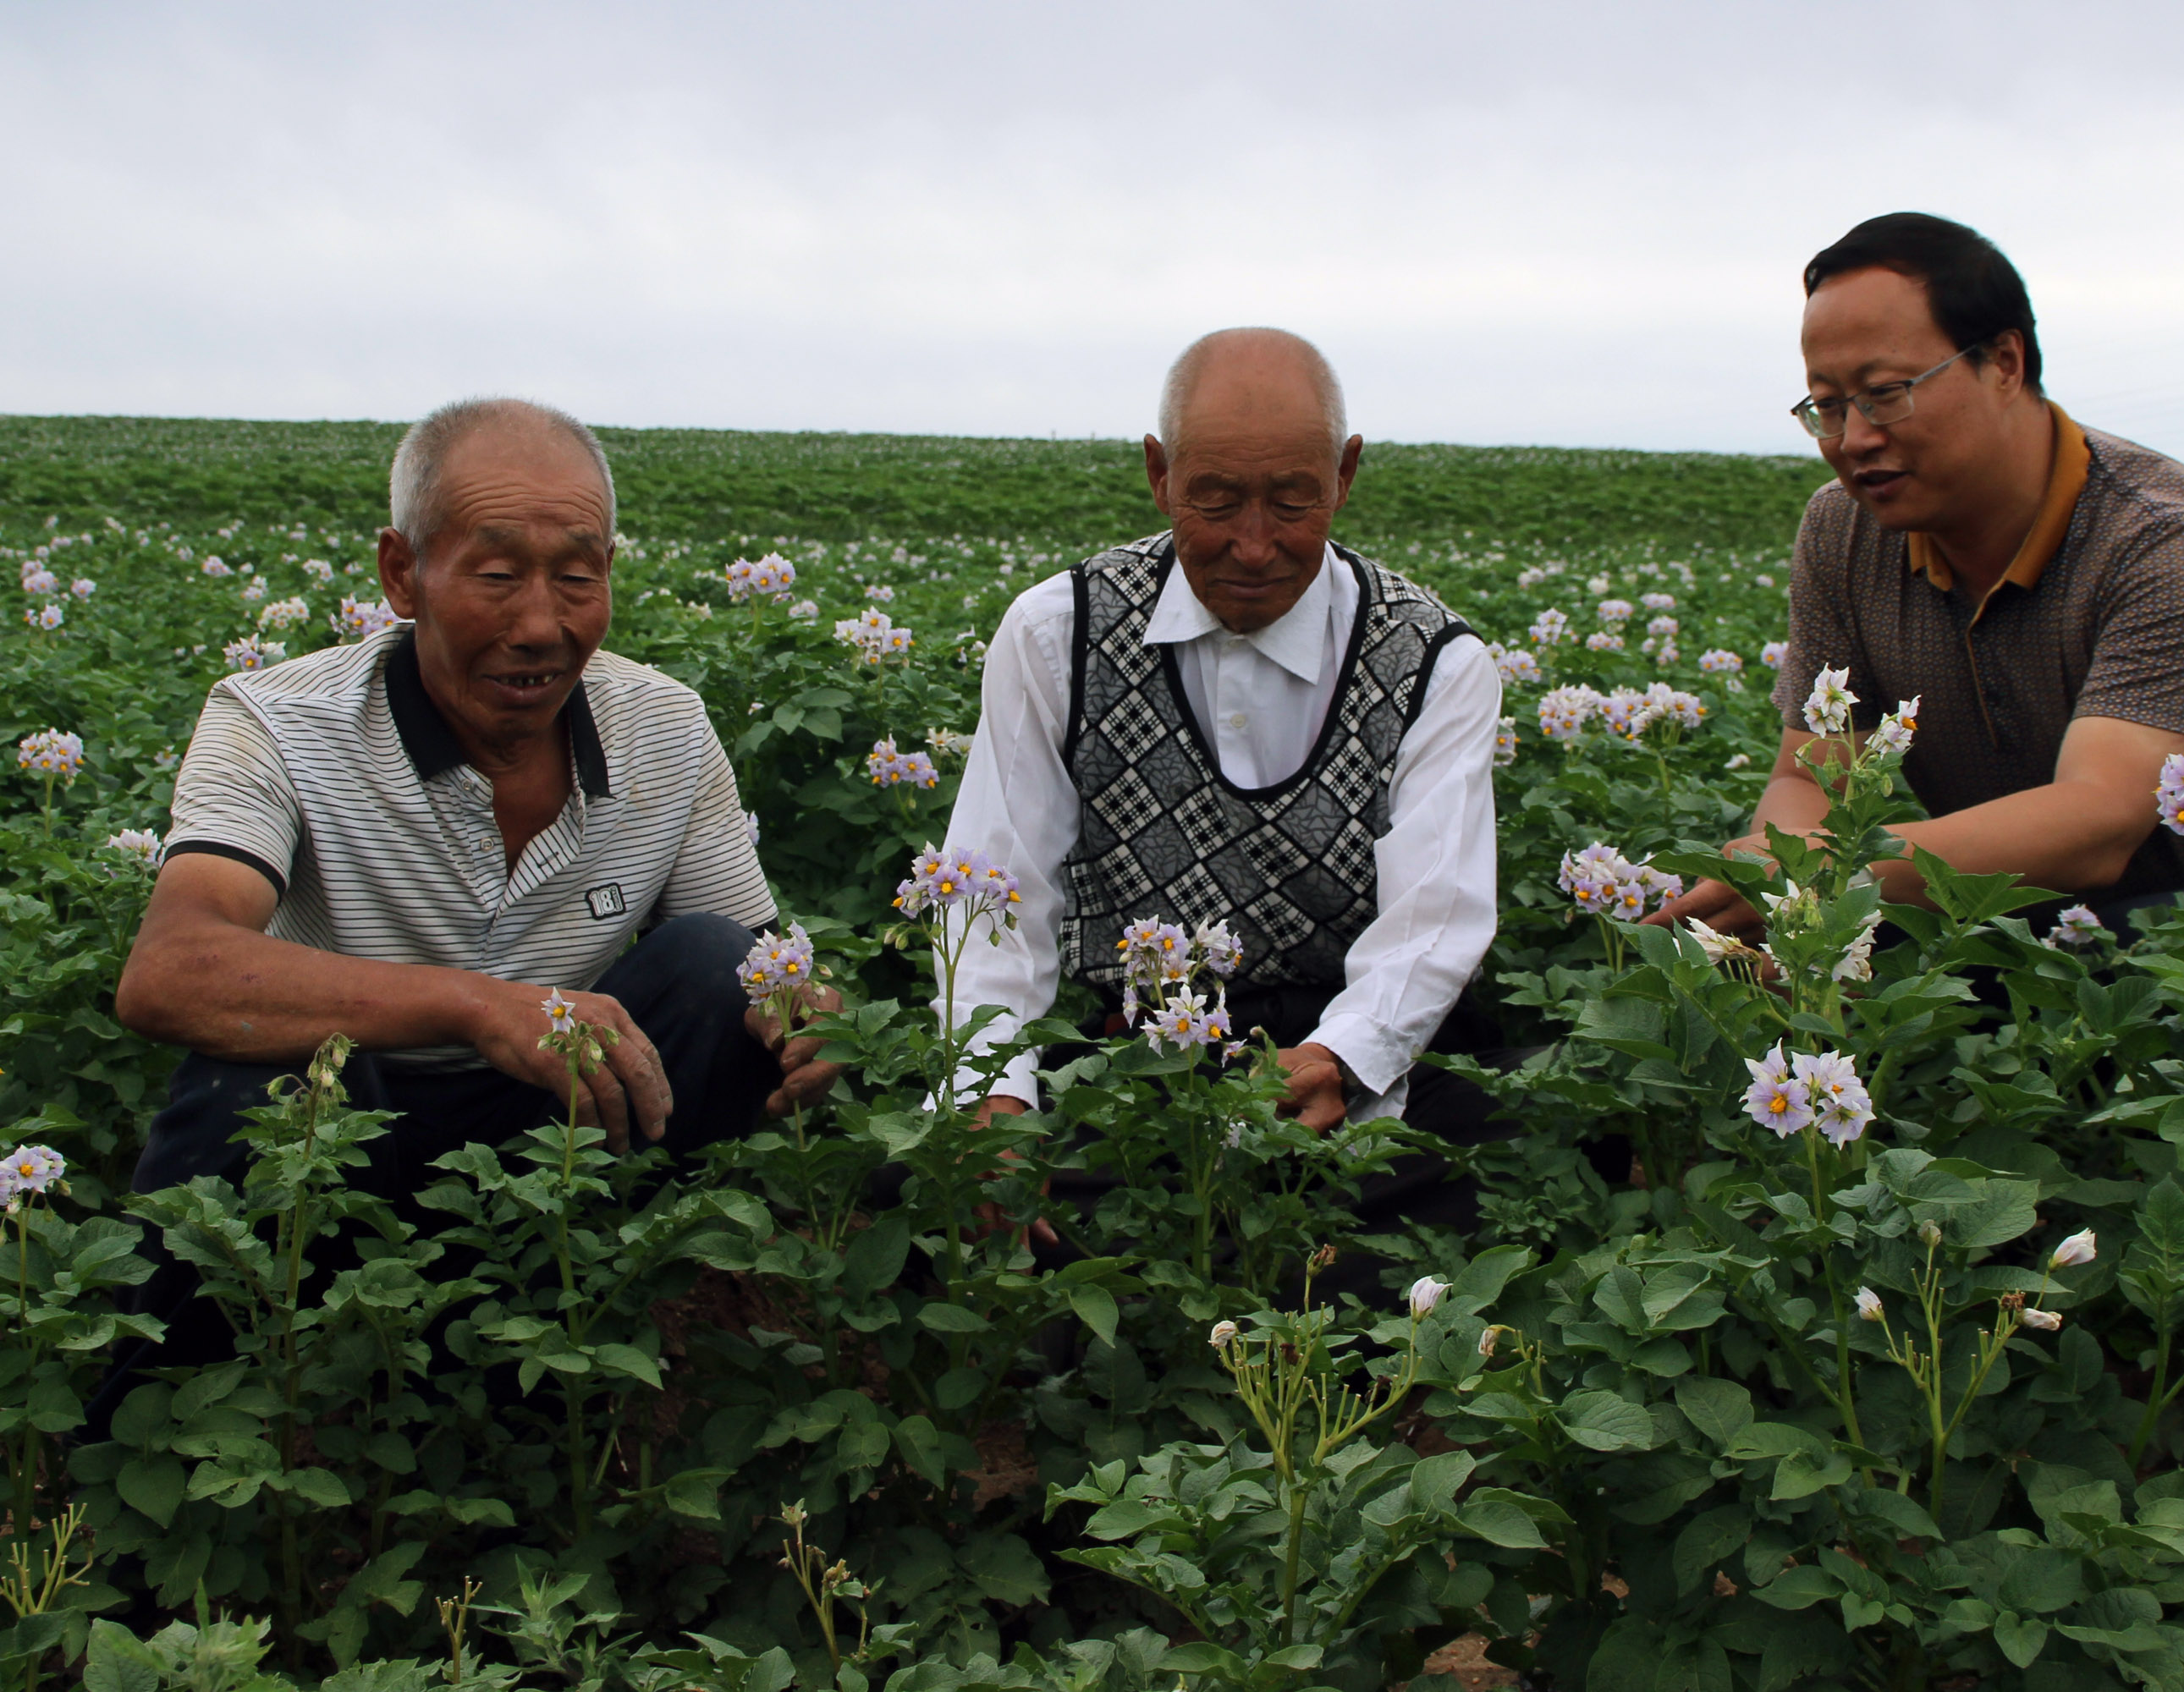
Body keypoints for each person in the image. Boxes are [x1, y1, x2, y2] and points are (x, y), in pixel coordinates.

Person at [112, 397, 839, 1375]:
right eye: (495, 576)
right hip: (346, 1120)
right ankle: (167, 1422)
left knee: (725, 972)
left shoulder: (663, 726)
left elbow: (756, 958)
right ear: (401, 573)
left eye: (576, 577)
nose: (541, 623)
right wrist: (475, 1006)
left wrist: (803, 1011)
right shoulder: (278, 720)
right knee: (260, 1075)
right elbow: (171, 971)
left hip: (557, 1132)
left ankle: (627, 1336)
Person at [1654, 213, 2184, 942]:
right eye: (1826, 407)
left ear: (2005, 363)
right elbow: (1810, 779)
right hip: (2017, 910)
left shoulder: (2166, 539)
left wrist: (1828, 881)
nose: (1854, 438)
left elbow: (2097, 819)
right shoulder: (1845, 530)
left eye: (1886, 392)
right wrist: (1786, 906)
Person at [939, 327, 1505, 1225]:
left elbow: (1432, 923)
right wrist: (995, 1096)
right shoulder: (1059, 633)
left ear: (1345, 475)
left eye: (1291, 502)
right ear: (1159, 474)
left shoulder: (1434, 660)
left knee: (1451, 1162)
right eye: (1213, 499)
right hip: (1124, 1046)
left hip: (1329, 1041)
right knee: (1000, 1197)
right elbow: (996, 896)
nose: (1251, 545)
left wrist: (1340, 1054)